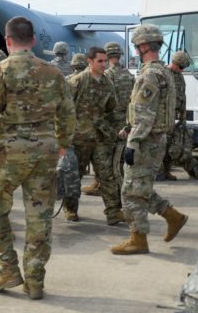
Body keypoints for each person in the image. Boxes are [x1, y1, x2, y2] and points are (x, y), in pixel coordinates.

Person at [0, 16, 76, 299]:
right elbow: (68, 112)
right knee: (40, 216)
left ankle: (8, 268)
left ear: (8, 40)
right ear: (34, 40)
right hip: (45, 153)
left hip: (8, 153)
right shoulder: (52, 72)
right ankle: (35, 280)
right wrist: (62, 142)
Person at [110, 25, 189, 255]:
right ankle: (173, 216)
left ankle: (138, 239)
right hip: (154, 137)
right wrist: (128, 128)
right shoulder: (163, 71)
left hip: (146, 141)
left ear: (144, 46)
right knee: (140, 187)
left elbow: (145, 113)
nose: (135, 49)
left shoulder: (150, 74)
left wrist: (133, 141)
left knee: (130, 191)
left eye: (136, 46)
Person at [63, 47, 124, 224]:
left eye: (106, 61)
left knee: (107, 175)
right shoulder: (77, 81)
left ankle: (113, 212)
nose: (104, 64)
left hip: (100, 138)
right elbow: (63, 109)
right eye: (100, 61)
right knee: (75, 175)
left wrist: (119, 130)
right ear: (90, 61)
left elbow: (113, 110)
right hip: (78, 138)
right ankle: (70, 208)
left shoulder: (108, 84)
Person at [82, 41, 134, 197]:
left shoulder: (106, 75)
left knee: (105, 157)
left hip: (109, 122)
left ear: (108, 56)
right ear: (119, 55)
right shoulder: (129, 75)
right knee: (120, 157)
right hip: (124, 121)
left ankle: (100, 185)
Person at [161, 50, 198, 181]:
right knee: (162, 145)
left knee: (172, 145)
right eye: (181, 67)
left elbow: (183, 96)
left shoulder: (179, 76)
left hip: (174, 116)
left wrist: (183, 117)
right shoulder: (163, 74)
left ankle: (166, 171)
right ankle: (161, 171)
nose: (182, 70)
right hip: (163, 115)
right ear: (175, 63)